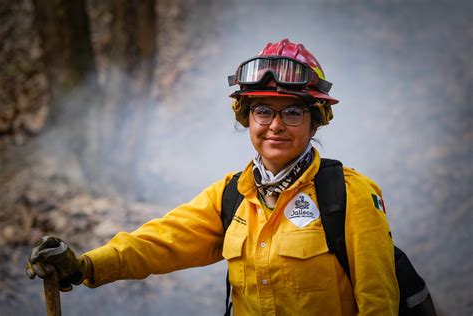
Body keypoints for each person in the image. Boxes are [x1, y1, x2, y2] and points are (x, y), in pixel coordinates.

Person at [27, 38, 399, 315]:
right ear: (247, 118)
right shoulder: (233, 195)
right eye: (263, 110)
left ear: (315, 120)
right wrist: (85, 266)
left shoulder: (348, 195)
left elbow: (379, 303)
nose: (275, 126)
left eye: (293, 113)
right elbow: (161, 241)